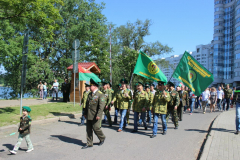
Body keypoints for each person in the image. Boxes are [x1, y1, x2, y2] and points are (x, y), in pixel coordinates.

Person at [82, 78, 106, 149]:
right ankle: (89, 143)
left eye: (91, 86)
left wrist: (99, 115)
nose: (89, 87)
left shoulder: (100, 94)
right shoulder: (89, 94)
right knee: (88, 129)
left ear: (95, 86)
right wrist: (85, 113)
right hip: (89, 114)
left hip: (95, 115)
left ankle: (102, 137)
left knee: (96, 128)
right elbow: (87, 105)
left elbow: (101, 106)